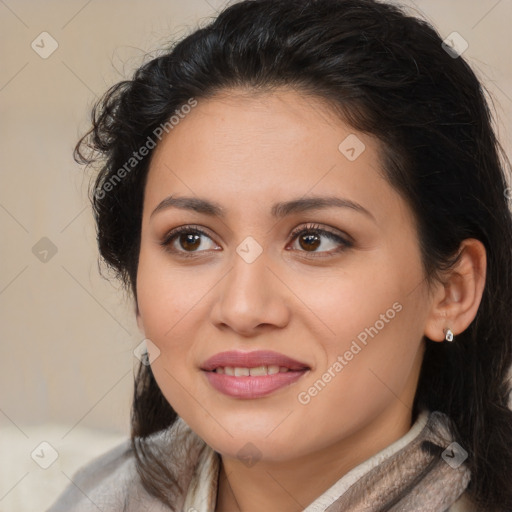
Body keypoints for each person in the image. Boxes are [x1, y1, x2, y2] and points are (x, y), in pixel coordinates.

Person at [47, 0, 512, 510]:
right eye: (191, 239)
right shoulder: (93, 496)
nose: (243, 309)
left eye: (314, 240)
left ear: (452, 289)